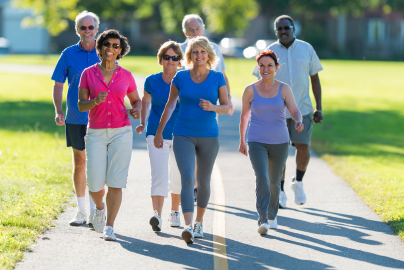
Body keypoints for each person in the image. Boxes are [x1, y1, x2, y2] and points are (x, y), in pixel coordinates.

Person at [154, 36, 229, 244]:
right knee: (187, 178)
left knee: (203, 181)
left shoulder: (217, 78)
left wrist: (212, 107)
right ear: (189, 55)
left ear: (209, 55)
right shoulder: (180, 77)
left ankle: (199, 222)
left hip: (209, 136)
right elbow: (169, 106)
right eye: (195, 52)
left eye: (202, 52)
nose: (199, 55)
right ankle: (187, 226)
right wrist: (160, 132)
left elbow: (226, 106)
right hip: (183, 133)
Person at [252, 15, 323, 208]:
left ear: (294, 28)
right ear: (275, 31)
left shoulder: (306, 48)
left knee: (303, 148)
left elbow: (315, 79)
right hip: (277, 113)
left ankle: (298, 182)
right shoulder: (270, 52)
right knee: (279, 154)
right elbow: (260, 81)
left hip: (303, 108)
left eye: (286, 27)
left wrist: (319, 107)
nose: (283, 31)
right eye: (279, 29)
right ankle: (281, 191)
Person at [78, 29, 141, 241]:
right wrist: (95, 101)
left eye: (115, 46)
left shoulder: (126, 76)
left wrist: (136, 110)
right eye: (107, 44)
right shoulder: (88, 73)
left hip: (121, 131)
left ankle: (110, 226)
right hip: (95, 132)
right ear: (100, 47)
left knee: (116, 181)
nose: (111, 49)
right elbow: (80, 105)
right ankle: (99, 206)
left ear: (120, 50)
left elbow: (136, 100)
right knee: (95, 185)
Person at [240, 50, 304, 235]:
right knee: (262, 177)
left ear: (277, 67)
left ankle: (272, 215)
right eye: (261, 65)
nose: (265, 69)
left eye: (269, 65)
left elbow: (294, 110)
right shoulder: (250, 90)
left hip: (280, 141)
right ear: (257, 67)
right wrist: (242, 140)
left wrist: (298, 120)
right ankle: (262, 219)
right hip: (256, 139)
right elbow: (244, 116)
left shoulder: (284, 88)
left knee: (274, 182)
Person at [52, 10, 100, 227]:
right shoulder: (68, 54)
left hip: (101, 119)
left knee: (99, 165)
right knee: (80, 162)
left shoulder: (106, 52)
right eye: (83, 27)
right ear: (77, 30)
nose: (87, 31)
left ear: (96, 29)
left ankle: (96, 211)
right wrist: (58, 110)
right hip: (75, 117)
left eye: (91, 27)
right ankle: (82, 211)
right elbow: (58, 84)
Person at [180, 14, 233, 200]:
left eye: (197, 28)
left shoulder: (214, 48)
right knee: (189, 147)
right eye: (191, 29)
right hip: (186, 107)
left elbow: (222, 76)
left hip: (209, 105)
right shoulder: (179, 49)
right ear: (185, 32)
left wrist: (228, 99)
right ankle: (193, 184)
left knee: (204, 146)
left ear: (203, 28)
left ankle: (199, 183)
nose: (195, 32)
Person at [135, 41, 183, 231]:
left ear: (179, 61)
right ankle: (157, 216)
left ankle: (175, 212)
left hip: (180, 134)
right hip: (156, 133)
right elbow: (146, 101)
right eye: (166, 57)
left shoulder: (184, 80)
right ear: (160, 59)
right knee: (159, 175)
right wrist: (142, 123)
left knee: (178, 176)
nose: (170, 61)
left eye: (174, 58)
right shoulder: (151, 81)